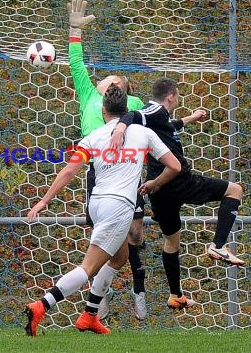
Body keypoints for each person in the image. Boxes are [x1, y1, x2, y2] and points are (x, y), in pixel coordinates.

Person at [24, 84, 181, 337]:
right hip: (119, 207)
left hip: (96, 203)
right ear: (126, 109)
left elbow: (69, 171)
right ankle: (41, 305)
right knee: (89, 268)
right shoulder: (143, 133)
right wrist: (152, 183)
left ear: (104, 111)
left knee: (119, 258)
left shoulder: (94, 137)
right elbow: (174, 166)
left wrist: (44, 201)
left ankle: (90, 314)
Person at [109, 77, 245, 311]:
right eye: (178, 95)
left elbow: (170, 126)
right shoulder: (154, 109)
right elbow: (133, 115)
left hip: (159, 192)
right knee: (235, 190)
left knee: (172, 240)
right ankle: (218, 245)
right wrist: (120, 128)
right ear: (171, 96)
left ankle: (176, 295)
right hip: (179, 181)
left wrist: (192, 117)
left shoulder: (161, 119)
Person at [67, 0, 148, 320]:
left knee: (135, 234)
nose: (112, 83)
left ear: (125, 93)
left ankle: (138, 286)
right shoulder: (88, 96)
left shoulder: (135, 104)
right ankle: (100, 293)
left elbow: (151, 126)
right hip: (98, 174)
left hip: (128, 174)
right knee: (102, 240)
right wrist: (74, 31)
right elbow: (76, 64)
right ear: (98, 88)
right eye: (108, 81)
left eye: (119, 83)